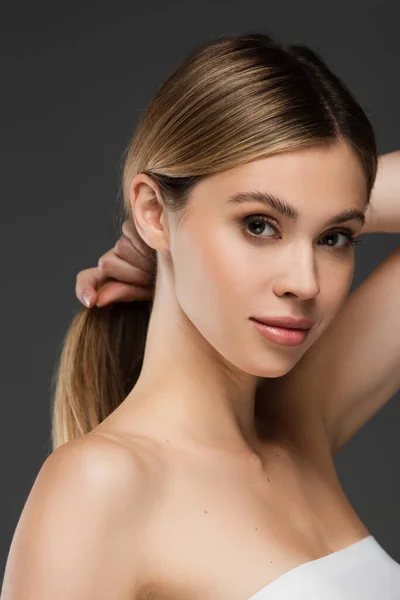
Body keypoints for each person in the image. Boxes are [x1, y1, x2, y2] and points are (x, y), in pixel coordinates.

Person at [2, 32, 400, 600]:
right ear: (152, 213)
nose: (305, 281)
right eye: (259, 225)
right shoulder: (101, 486)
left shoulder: (298, 424)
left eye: (335, 237)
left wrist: (343, 195)